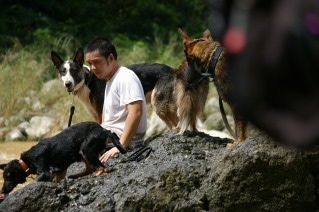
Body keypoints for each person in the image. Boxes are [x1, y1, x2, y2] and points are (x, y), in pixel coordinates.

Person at [84, 37, 147, 162]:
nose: (92, 68)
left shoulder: (125, 78)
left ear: (111, 58)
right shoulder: (111, 79)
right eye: (90, 63)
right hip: (110, 136)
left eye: (96, 62)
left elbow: (136, 112)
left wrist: (121, 146)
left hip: (121, 141)